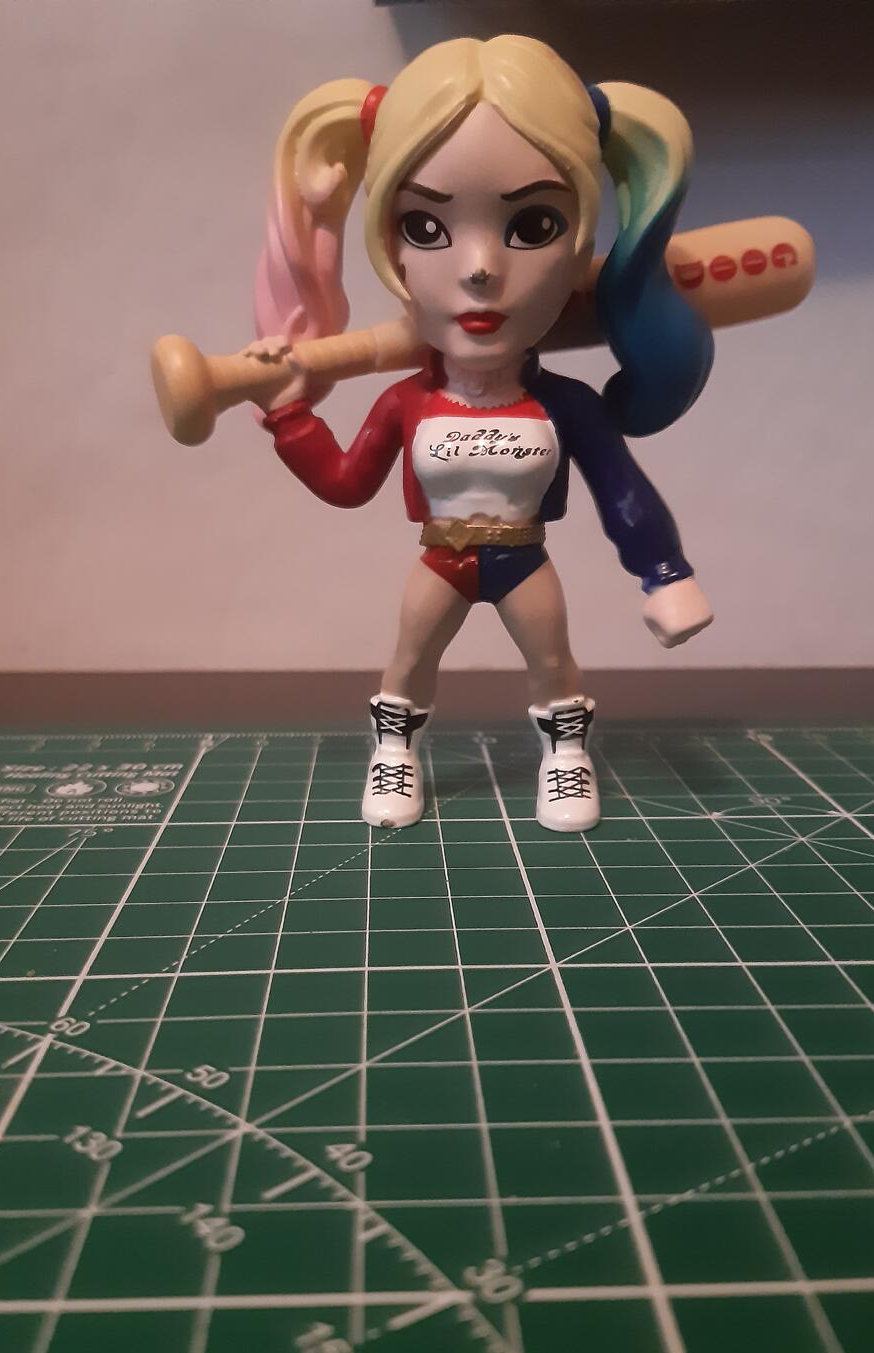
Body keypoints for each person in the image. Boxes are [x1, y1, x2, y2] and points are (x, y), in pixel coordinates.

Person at [244, 35, 714, 832]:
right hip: (441, 556)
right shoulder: (405, 401)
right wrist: (287, 416)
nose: (479, 269)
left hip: (522, 555)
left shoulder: (565, 405)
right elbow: (347, 483)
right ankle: (394, 751)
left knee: (553, 663)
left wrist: (663, 570)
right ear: (388, 247)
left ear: (579, 247)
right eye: (426, 227)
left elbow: (621, 491)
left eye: (532, 224)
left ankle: (565, 760)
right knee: (409, 660)